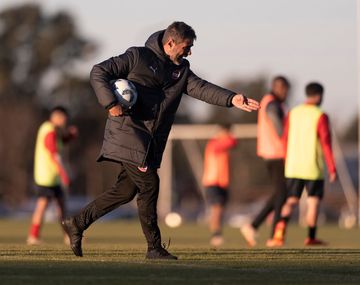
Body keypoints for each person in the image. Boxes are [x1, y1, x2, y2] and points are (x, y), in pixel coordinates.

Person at [61, 21, 260, 260]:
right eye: (187, 46)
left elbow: (201, 88)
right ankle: (154, 248)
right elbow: (98, 71)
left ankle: (76, 223)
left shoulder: (182, 70)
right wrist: (111, 104)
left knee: (125, 192)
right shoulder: (137, 56)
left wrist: (232, 98)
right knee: (149, 185)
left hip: (150, 143)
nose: (190, 52)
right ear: (170, 43)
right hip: (129, 134)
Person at [266, 82, 337, 247]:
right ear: (319, 96)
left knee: (291, 200)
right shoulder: (320, 115)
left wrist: (285, 159)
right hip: (312, 167)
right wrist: (332, 168)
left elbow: (284, 139)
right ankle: (311, 237)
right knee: (313, 202)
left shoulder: (293, 113)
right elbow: (326, 143)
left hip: (293, 166)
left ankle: (278, 235)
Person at [240, 76, 289, 247]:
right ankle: (273, 236)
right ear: (277, 87)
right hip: (276, 153)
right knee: (282, 193)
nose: (285, 93)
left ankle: (253, 226)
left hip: (273, 153)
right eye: (283, 89)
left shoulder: (271, 102)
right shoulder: (272, 103)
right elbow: (279, 128)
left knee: (280, 193)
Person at [27, 106, 77, 245]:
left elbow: (60, 143)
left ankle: (68, 236)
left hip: (52, 176)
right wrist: (64, 174)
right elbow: (54, 154)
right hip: (45, 176)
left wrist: (70, 136)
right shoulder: (49, 130)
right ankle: (33, 236)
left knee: (61, 206)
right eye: (64, 119)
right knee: (42, 205)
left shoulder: (53, 131)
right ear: (57, 117)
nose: (65, 122)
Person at [202, 124, 237, 247]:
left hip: (222, 182)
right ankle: (216, 235)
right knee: (217, 209)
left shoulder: (222, 143)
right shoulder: (214, 143)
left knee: (220, 210)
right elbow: (232, 142)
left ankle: (217, 234)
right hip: (213, 181)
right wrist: (228, 137)